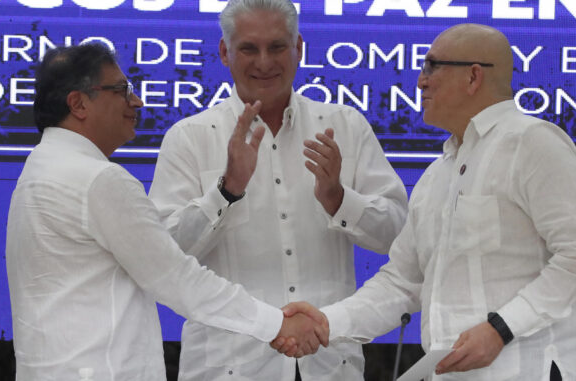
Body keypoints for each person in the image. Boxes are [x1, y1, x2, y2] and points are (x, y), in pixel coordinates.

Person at [276, 24, 576, 380]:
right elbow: (401, 282)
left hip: (530, 370)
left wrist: (501, 328)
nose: (421, 81)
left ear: (473, 76)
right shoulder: (436, 175)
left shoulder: (531, 142)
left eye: (431, 66)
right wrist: (328, 322)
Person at [5, 43, 327, 381]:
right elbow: (176, 277)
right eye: (121, 90)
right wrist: (276, 324)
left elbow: (158, 250)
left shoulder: (42, 168)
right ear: (79, 103)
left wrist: (227, 190)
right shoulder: (96, 179)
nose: (137, 101)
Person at [148, 0, 408, 379]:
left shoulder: (344, 126)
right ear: (225, 52)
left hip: (329, 362)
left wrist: (339, 199)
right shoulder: (190, 137)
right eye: (249, 48)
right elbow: (164, 254)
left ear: (299, 48)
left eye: (277, 47)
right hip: (229, 366)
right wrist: (226, 191)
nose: (265, 62)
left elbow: (400, 235)